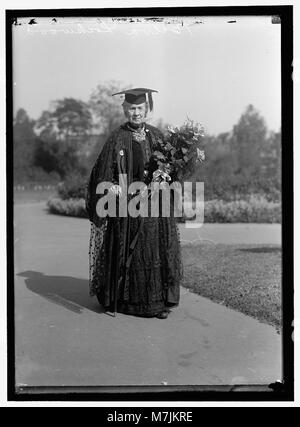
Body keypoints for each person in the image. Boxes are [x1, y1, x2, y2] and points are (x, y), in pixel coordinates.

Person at [85, 88, 183, 319]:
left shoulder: (158, 137)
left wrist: (166, 179)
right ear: (124, 110)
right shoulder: (116, 138)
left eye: (140, 108)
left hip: (154, 206)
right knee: (130, 249)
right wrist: (111, 185)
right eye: (131, 109)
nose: (136, 113)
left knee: (152, 249)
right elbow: (100, 172)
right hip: (125, 207)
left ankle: (156, 302)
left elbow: (172, 170)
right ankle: (125, 301)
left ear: (147, 109)